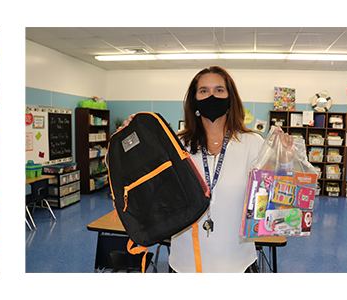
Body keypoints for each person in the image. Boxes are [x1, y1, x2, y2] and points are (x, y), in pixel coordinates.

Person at [122, 66, 293, 272]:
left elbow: (276, 199)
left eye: (219, 90)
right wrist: (134, 142)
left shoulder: (253, 143)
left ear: (231, 98)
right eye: (204, 91)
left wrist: (285, 161)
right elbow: (149, 193)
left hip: (238, 264)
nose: (212, 96)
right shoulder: (175, 145)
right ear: (194, 101)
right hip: (185, 264)